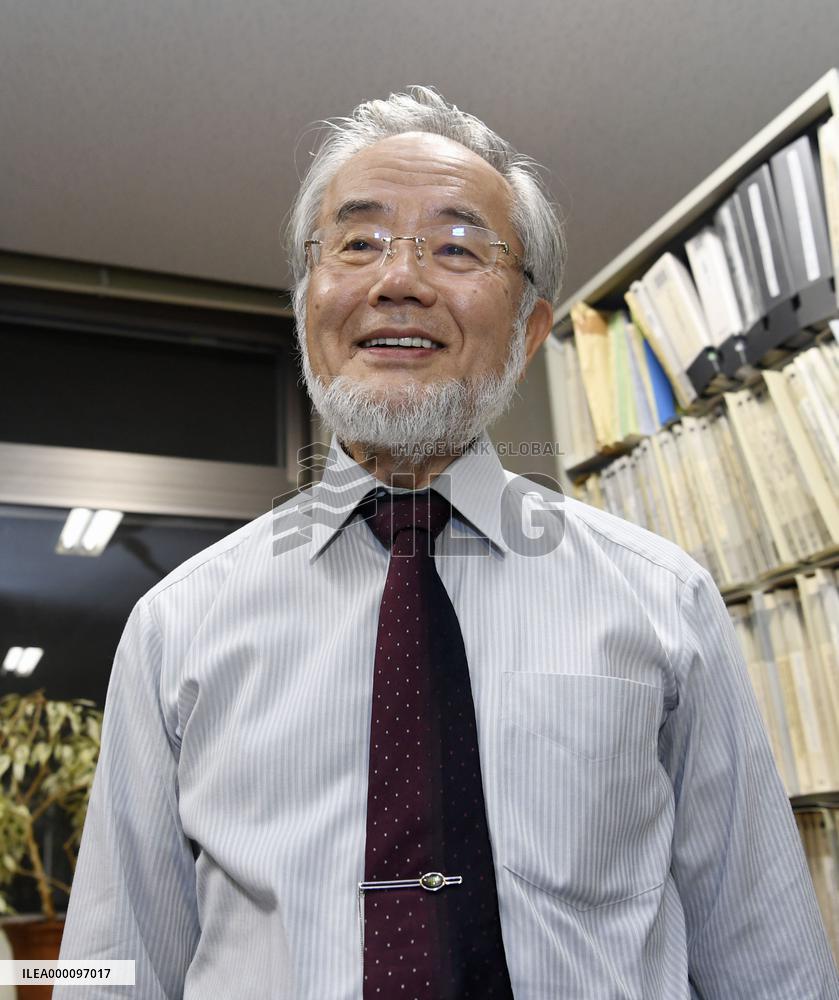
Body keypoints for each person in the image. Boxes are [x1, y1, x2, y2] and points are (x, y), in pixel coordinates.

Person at [57, 87, 839, 999]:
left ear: (529, 329)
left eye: (458, 248)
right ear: (309, 301)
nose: (400, 279)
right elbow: (106, 962)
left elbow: (766, 954)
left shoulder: (663, 600)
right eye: (356, 242)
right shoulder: (173, 624)